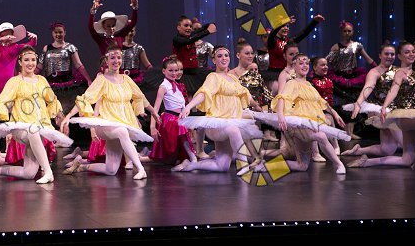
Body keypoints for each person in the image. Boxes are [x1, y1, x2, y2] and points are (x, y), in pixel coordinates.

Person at [347, 41, 415, 171]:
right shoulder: (394, 73)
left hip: (411, 112)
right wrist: (363, 103)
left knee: (404, 159)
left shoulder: (411, 71)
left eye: (413, 52)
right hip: (401, 115)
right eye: (407, 52)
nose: (411, 54)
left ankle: (367, 162)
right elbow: (381, 88)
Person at [0, 45, 71, 184]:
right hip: (21, 128)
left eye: (33, 60)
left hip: (39, 127)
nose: (30, 63)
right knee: (33, 130)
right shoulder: (15, 82)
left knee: (29, 173)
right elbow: (2, 102)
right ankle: (49, 172)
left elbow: (52, 100)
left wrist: (62, 119)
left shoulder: (41, 80)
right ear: (20, 62)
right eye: (26, 60)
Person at [61, 44, 160, 180]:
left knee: (111, 170)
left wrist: (154, 112)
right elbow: (86, 98)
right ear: (106, 61)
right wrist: (68, 116)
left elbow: (140, 97)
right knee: (122, 131)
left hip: (121, 124)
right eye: (112, 58)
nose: (116, 60)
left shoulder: (127, 80)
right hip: (106, 125)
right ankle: (141, 169)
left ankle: (82, 166)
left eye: (118, 57)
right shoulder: (102, 80)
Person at [252, 54, 349, 176]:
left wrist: (334, 113)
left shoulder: (308, 85)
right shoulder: (292, 83)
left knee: (302, 165)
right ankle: (339, 164)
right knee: (321, 136)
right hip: (299, 125)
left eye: (306, 63)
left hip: (309, 123)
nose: (304, 66)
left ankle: (267, 166)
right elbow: (282, 98)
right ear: (294, 66)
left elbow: (321, 101)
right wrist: (280, 115)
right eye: (301, 63)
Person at [174, 46, 263, 174]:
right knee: (233, 129)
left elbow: (246, 95)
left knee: (222, 166)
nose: (223, 58)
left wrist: (257, 106)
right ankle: (244, 166)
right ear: (214, 60)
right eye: (219, 56)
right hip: (218, 125)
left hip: (231, 121)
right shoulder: (213, 77)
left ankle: (191, 165)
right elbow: (204, 93)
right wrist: (188, 106)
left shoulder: (233, 78)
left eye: (226, 55)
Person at [342, 43, 404, 158]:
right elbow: (368, 87)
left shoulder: (399, 71)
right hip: (381, 109)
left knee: (387, 150)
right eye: (386, 54)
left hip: (397, 107)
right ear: (380, 55)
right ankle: (408, 151)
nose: (390, 56)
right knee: (391, 120)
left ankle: (358, 151)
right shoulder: (374, 72)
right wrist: (358, 103)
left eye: (392, 54)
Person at [147, 55, 196, 167]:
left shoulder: (177, 85)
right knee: (180, 130)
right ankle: (192, 157)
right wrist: (152, 127)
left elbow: (181, 104)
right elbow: (155, 108)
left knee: (171, 159)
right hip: (170, 119)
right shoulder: (163, 86)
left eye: (176, 70)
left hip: (179, 117)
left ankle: (191, 156)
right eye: (171, 71)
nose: (174, 73)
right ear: (164, 71)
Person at [0, 22, 37, 116]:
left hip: (9, 85)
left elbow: (30, 46)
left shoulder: (16, 47)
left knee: (11, 116)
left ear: (13, 35)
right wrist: (1, 40)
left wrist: (34, 38)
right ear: (0, 36)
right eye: (4, 34)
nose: (8, 37)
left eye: (9, 34)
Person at [266, 14, 324, 95]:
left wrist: (314, 22)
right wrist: (281, 22)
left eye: (287, 26)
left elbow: (303, 33)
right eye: (283, 26)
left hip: (289, 72)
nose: (286, 28)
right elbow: (272, 33)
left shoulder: (289, 42)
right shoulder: (272, 42)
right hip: (275, 75)